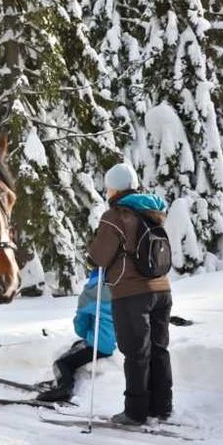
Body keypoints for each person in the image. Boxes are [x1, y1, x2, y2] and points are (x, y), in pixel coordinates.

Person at [87, 163, 173, 425]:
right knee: (159, 349)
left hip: (131, 292)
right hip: (162, 289)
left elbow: (100, 257)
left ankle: (135, 412)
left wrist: (90, 252)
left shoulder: (115, 216)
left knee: (136, 353)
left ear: (114, 188)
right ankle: (162, 406)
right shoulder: (151, 211)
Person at [36, 268, 116, 402]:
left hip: (100, 345)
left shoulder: (89, 294)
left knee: (61, 362)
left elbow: (80, 329)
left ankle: (64, 388)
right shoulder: (120, 290)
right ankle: (63, 379)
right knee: (76, 346)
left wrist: (89, 331)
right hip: (120, 342)